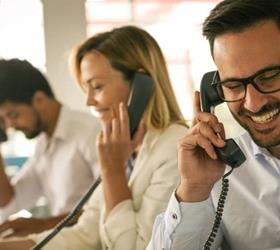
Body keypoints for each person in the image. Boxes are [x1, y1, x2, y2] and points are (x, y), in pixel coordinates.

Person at [0, 25, 188, 249]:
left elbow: (134, 246)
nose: (88, 101)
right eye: (86, 89)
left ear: (141, 84)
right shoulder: (121, 146)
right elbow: (85, 234)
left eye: (97, 87)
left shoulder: (174, 149)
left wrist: (112, 171)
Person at [147, 0, 280, 249]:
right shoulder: (218, 169)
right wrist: (194, 190)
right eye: (233, 86)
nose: (253, 104)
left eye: (268, 77)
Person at [0, 59, 100, 237]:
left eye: (13, 115)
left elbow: (109, 206)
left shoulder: (90, 132)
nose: (10, 126)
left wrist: (44, 225)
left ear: (39, 99)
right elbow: (9, 202)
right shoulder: (44, 145)